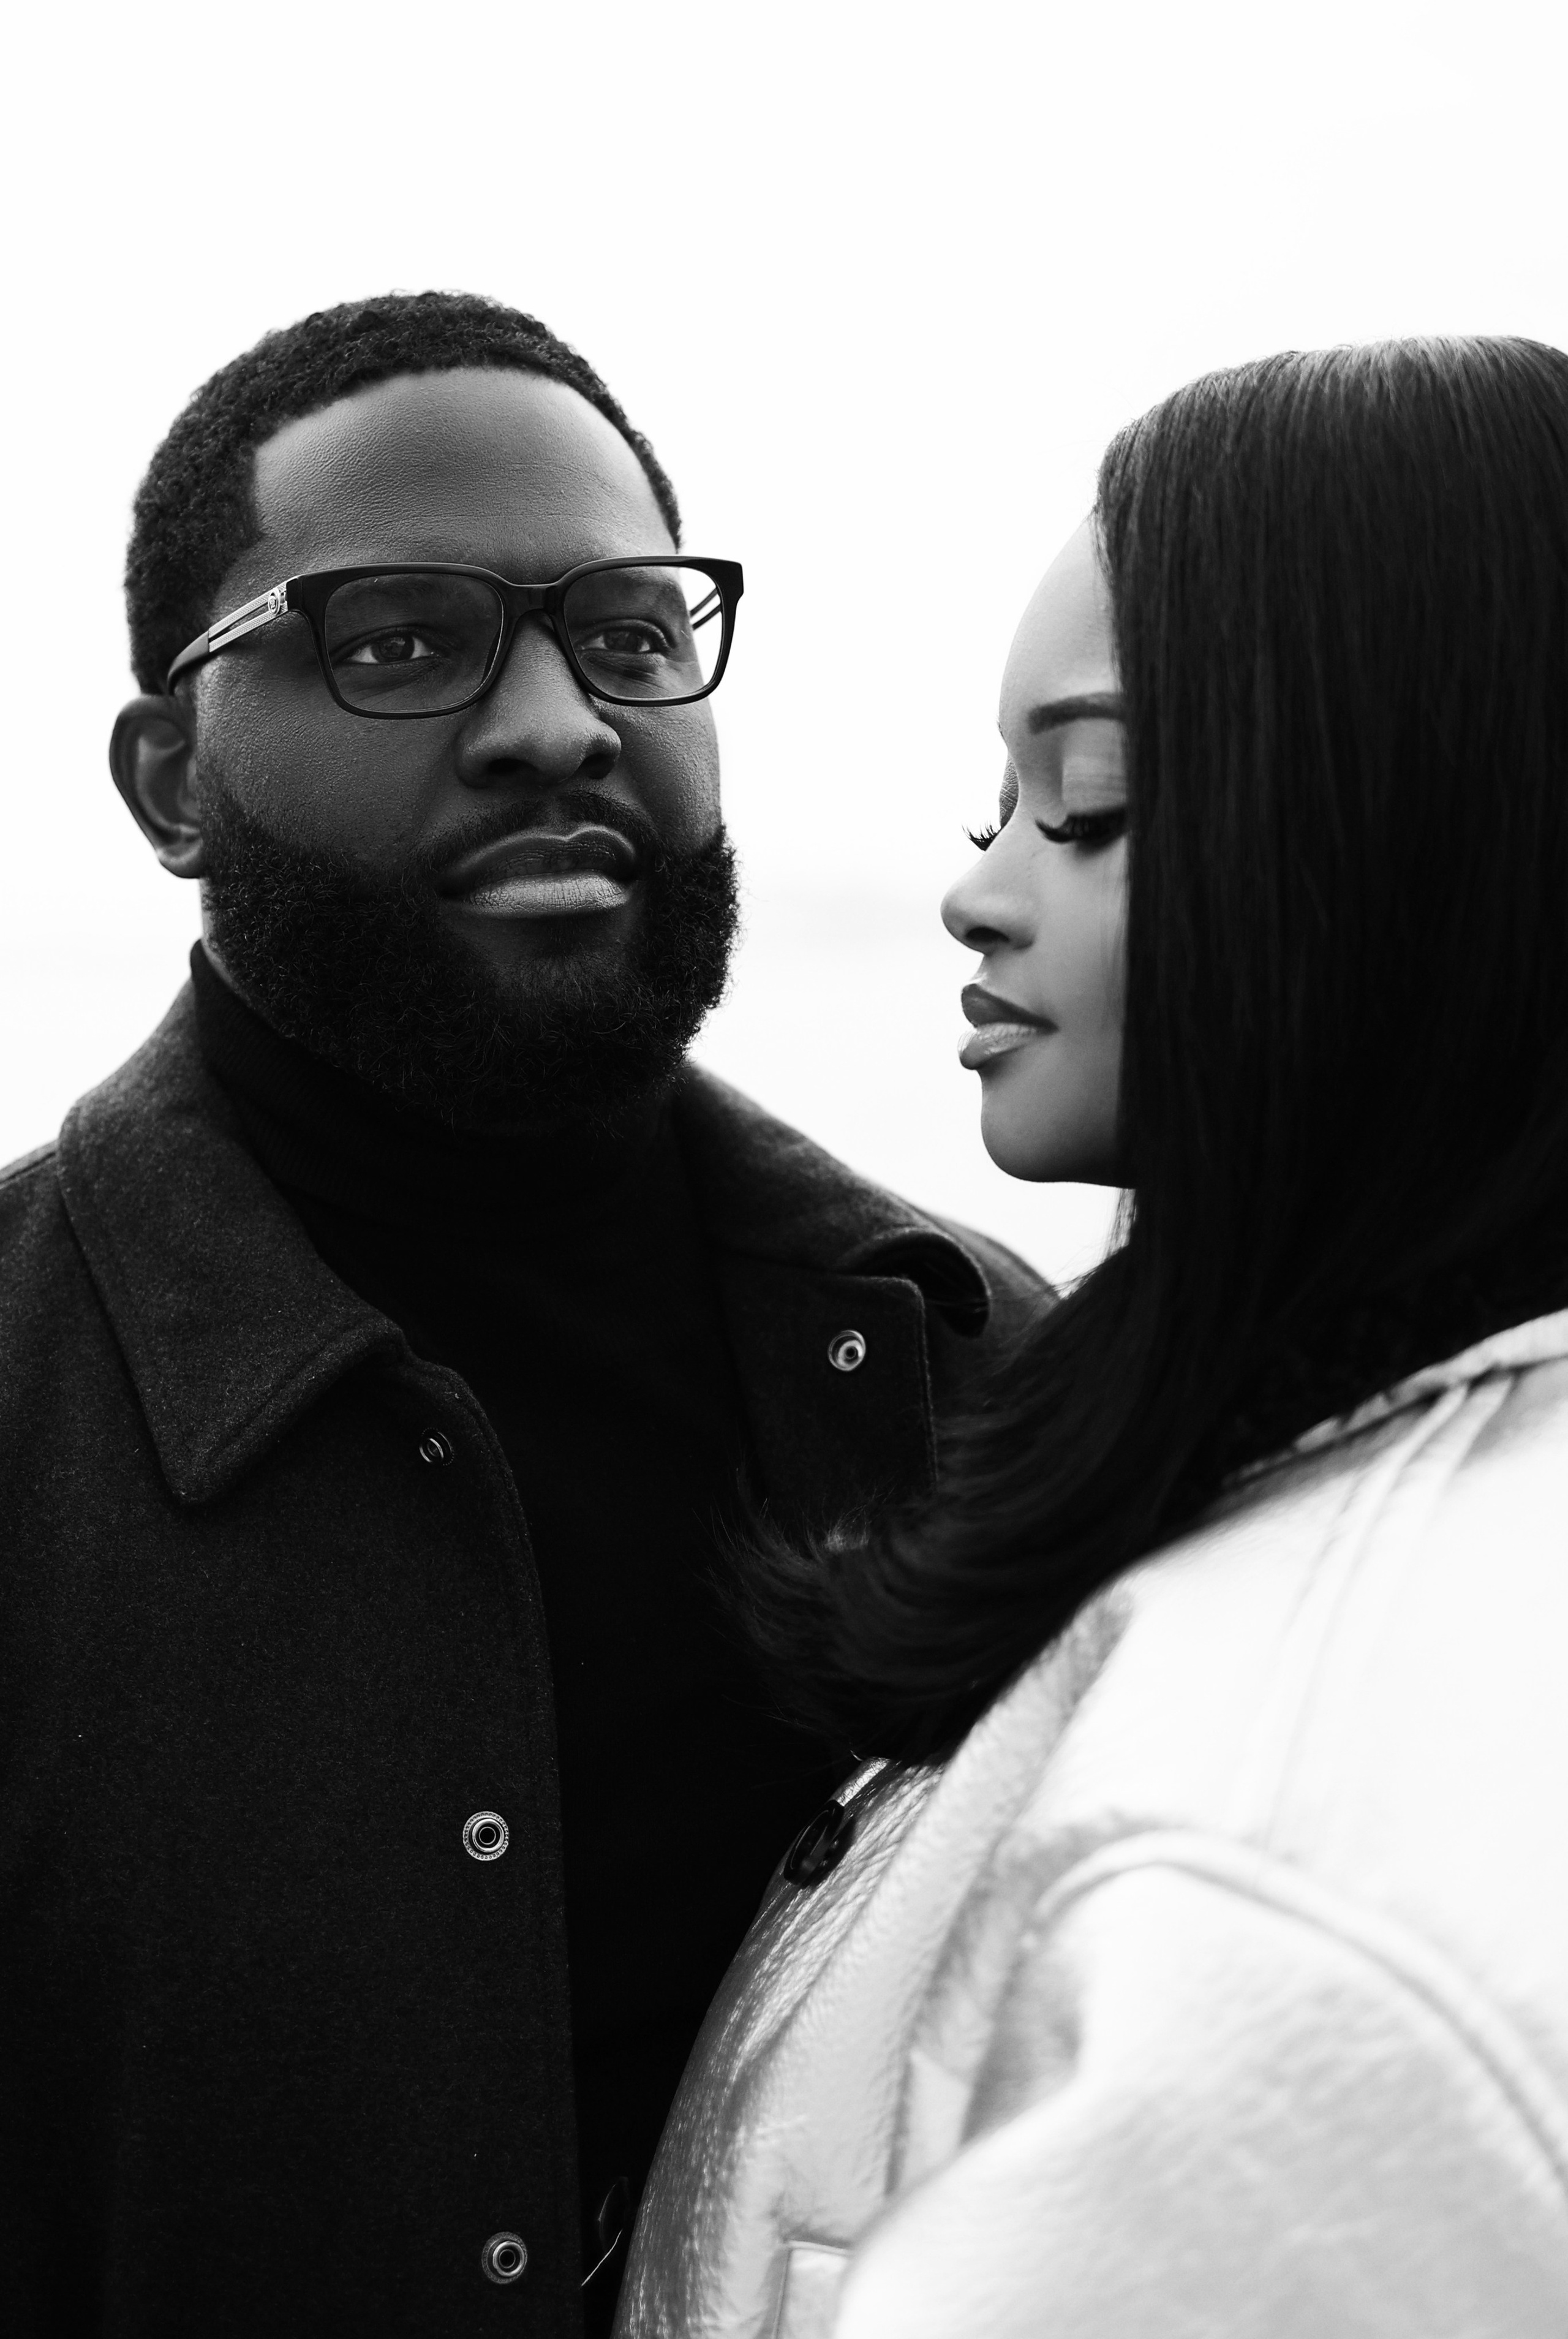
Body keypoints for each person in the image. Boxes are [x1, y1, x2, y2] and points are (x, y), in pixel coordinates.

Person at [0, 291, 1044, 2338]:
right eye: (400, 642)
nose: (563, 723)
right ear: (170, 781)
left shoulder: (978, 1371)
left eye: (633, 634)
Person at [617, 337, 1568, 2338]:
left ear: (1421, 835)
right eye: (1002, 806)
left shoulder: (1284, 1858)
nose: (975, 895)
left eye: (1089, 801)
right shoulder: (1262, 1458)